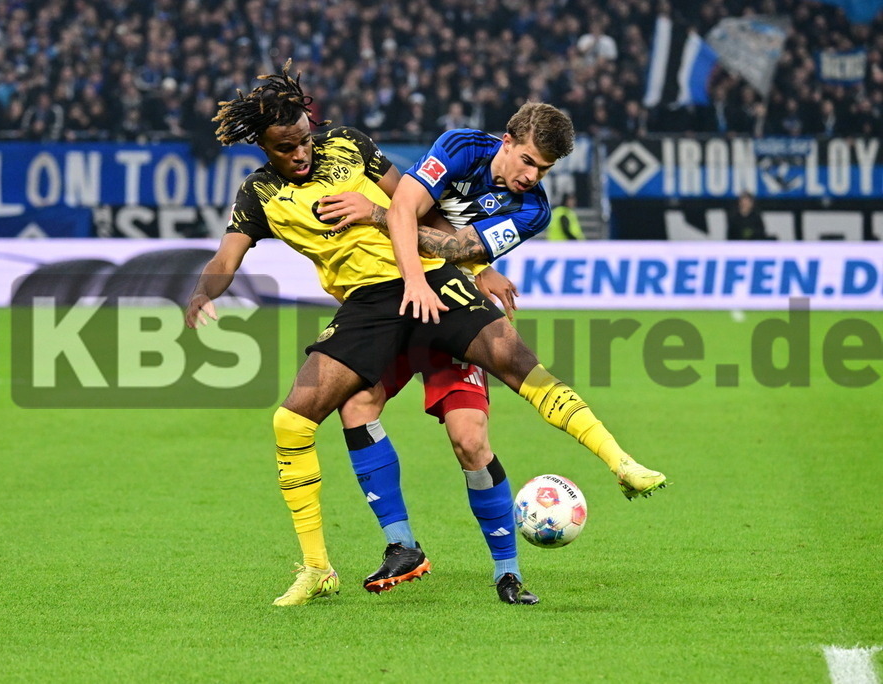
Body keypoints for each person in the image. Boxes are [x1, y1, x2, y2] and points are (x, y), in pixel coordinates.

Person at [184, 63, 666, 608]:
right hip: (368, 304)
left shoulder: (347, 144)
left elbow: (416, 204)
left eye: (303, 140)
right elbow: (227, 256)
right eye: (285, 148)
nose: (299, 153)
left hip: (430, 279)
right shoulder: (259, 195)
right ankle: (324, 566)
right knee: (295, 418)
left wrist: (471, 268)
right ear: (265, 147)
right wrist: (205, 291)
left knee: (502, 386)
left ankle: (619, 463)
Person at [340, 104, 655, 606]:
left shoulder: (533, 210)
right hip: (397, 293)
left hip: (451, 302)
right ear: (506, 141)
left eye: (544, 170)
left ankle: (507, 573)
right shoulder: (462, 147)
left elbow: (455, 244)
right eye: (527, 161)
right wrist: (424, 271)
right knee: (356, 404)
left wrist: (462, 261)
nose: (531, 177)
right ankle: (402, 546)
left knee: (470, 439)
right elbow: (408, 207)